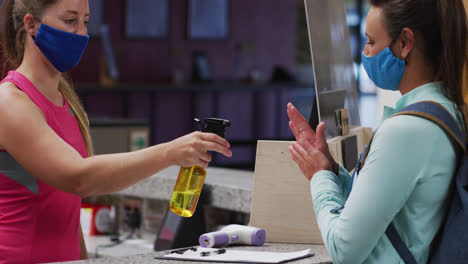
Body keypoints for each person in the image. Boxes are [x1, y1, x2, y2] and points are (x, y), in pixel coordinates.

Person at [0, 0, 232, 263]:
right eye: (69, 21)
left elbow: (66, 209)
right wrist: (170, 153)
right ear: (32, 25)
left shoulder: (67, 102)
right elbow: (79, 178)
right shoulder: (9, 102)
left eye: (85, 22)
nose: (81, 33)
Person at [287, 0, 468, 263]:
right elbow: (395, 209)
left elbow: (343, 249)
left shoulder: (407, 130)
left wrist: (318, 176)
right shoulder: (447, 111)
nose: (365, 52)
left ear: (405, 43)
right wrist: (329, 169)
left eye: (371, 41)